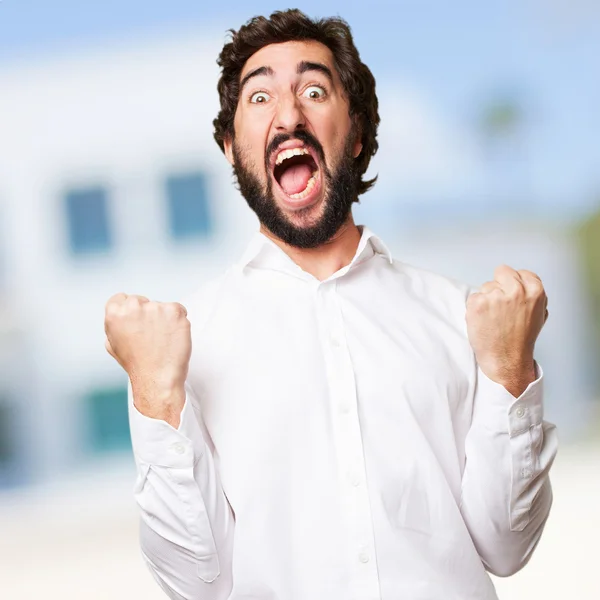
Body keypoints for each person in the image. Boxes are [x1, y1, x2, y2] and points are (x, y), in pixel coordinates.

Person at [104, 9, 558, 600]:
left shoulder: (457, 315)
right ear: (230, 149)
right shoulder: (189, 342)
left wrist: (511, 370)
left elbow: (507, 546)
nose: (289, 115)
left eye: (314, 90)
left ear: (359, 133)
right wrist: (155, 395)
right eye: (260, 97)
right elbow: (197, 585)